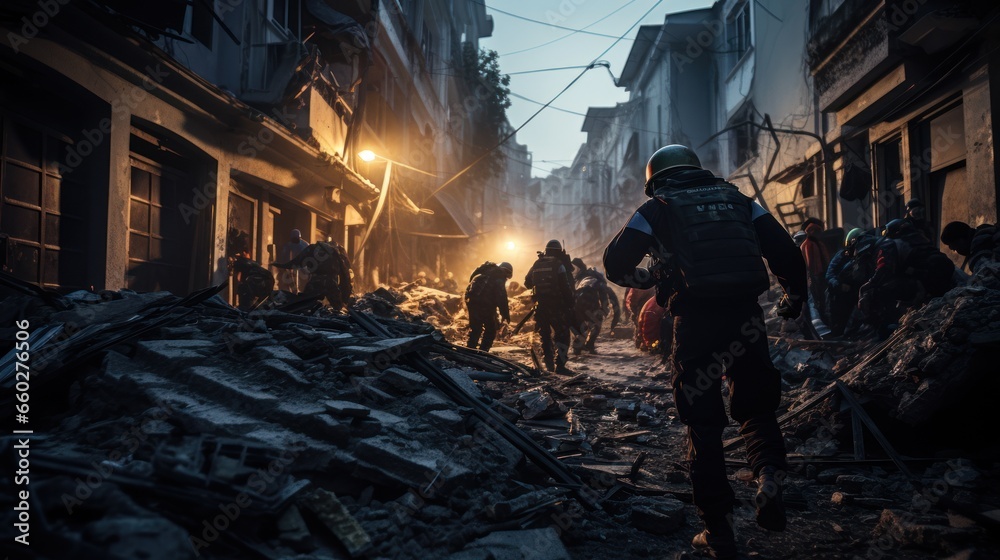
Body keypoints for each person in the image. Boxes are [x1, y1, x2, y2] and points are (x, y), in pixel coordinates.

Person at [604, 145, 808, 559]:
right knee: (757, 408)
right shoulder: (741, 201)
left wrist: (642, 274)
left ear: (656, 179)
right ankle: (768, 476)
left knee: (703, 421)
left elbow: (614, 262)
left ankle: (719, 530)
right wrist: (794, 296)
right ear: (698, 171)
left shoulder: (658, 206)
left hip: (695, 320)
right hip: (745, 317)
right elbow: (786, 253)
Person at [858, 219, 955, 339]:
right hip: (941, 269)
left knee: (880, 291)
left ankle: (885, 329)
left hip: (928, 275)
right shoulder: (918, 238)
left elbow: (884, 269)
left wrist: (869, 284)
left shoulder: (889, 244)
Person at [524, 240, 576, 374]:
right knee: (563, 335)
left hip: (540, 307)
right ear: (559, 251)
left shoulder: (536, 264)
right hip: (556, 307)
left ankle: (549, 366)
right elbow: (566, 287)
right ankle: (560, 366)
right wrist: (571, 305)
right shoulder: (559, 265)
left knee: (545, 336)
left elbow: (527, 282)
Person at [272, 240, 353, 310]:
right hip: (330, 282)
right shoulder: (337, 252)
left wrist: (282, 265)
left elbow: (297, 261)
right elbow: (345, 276)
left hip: (315, 281)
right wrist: (345, 298)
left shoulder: (313, 248)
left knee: (305, 305)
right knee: (338, 308)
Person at [570, 260, 621, 354]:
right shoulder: (597, 282)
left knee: (583, 327)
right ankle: (587, 345)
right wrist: (611, 318)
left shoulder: (579, 280)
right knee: (595, 324)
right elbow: (609, 299)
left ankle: (580, 346)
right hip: (588, 305)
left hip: (579, 305)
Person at [464, 262, 512, 352]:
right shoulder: (499, 276)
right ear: (507, 273)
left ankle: (470, 350)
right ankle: (483, 352)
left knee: (475, 328)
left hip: (471, 301)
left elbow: (470, 284)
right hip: (485, 304)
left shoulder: (484, 271)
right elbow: (501, 297)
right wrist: (505, 314)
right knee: (491, 329)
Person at [800, 220, 831, 323]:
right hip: (816, 276)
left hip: (821, 274)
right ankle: (824, 318)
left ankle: (825, 316)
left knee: (822, 297)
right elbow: (810, 264)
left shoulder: (816, 243)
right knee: (819, 297)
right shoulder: (809, 245)